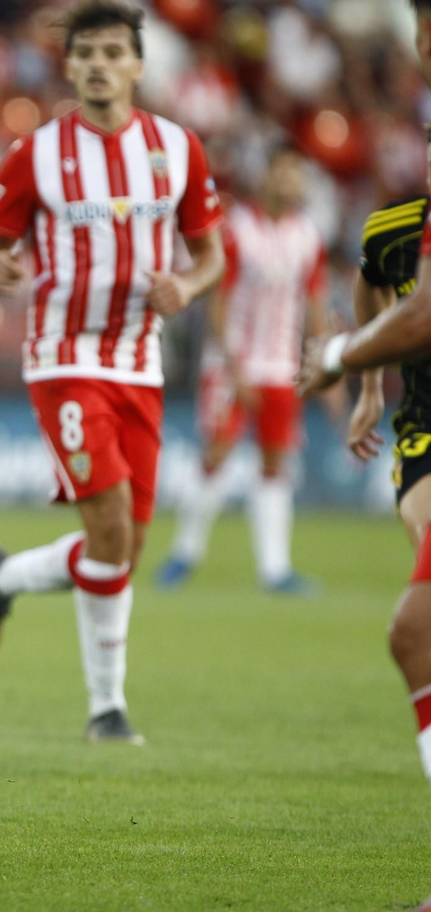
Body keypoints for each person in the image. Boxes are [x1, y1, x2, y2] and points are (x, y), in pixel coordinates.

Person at [0, 0, 225, 745]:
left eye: (114, 53)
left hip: (140, 364)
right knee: (109, 531)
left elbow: (210, 255)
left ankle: (6, 578)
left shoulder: (178, 149)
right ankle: (106, 710)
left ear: (138, 66)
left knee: (122, 550)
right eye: (86, 54)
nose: (100, 66)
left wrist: (187, 285)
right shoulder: (37, 154)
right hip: (64, 360)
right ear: (70, 68)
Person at [295, 0, 431, 912]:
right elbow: (386, 288)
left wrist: (342, 355)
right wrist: (369, 390)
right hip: (423, 420)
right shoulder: (393, 221)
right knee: (417, 628)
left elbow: (420, 313)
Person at [156, 146, 328, 595]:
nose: (292, 182)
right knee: (216, 453)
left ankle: (276, 568)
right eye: (285, 172)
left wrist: (325, 361)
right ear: (267, 176)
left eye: (297, 173)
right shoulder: (237, 230)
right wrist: (234, 369)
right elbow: (220, 302)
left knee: (275, 461)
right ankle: (183, 554)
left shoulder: (308, 234)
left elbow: (314, 302)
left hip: (282, 366)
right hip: (234, 365)